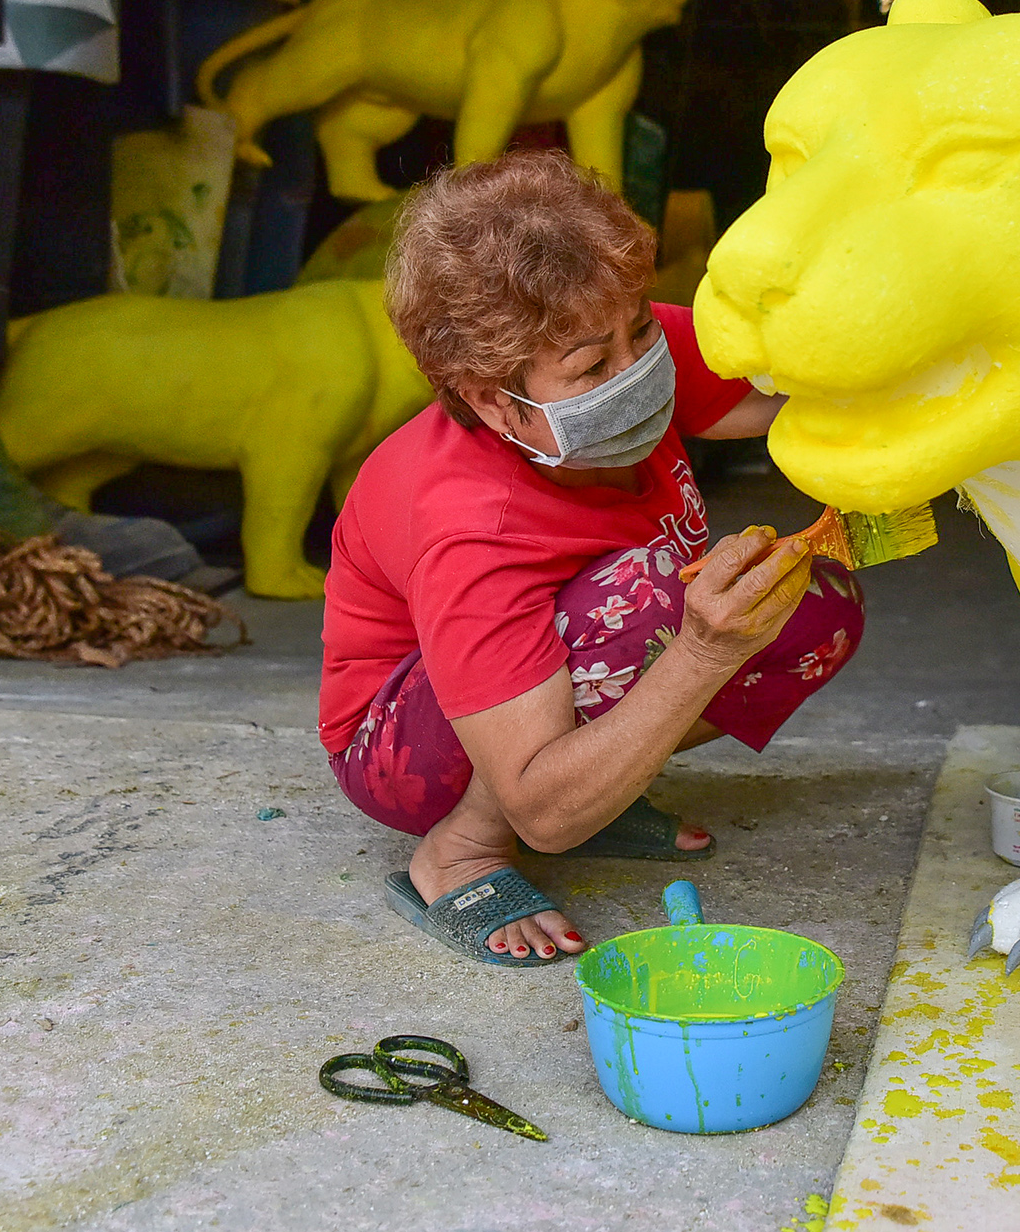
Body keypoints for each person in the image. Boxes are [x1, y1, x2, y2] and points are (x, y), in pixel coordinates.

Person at [318, 150, 864, 966]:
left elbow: (774, 398)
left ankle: (603, 784)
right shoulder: (472, 526)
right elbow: (543, 808)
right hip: (403, 745)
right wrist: (703, 651)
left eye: (639, 328)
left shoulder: (616, 335)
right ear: (491, 397)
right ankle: (461, 850)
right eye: (591, 367)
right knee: (647, 597)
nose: (636, 368)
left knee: (812, 603)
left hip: (548, 678)